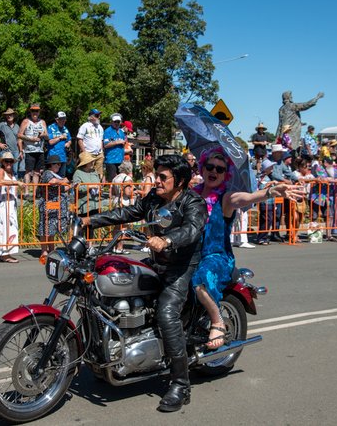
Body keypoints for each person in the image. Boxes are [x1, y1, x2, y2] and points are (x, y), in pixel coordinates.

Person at [81, 154, 208, 413]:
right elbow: (128, 211)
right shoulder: (154, 198)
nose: (157, 180)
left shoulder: (193, 202)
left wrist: (167, 240)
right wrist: (90, 220)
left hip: (181, 266)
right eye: (157, 175)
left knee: (166, 314)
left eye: (163, 177)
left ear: (179, 181)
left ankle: (180, 384)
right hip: (157, 262)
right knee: (109, 294)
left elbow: (192, 229)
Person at [191, 147, 302, 350]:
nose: (214, 171)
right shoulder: (191, 195)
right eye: (210, 166)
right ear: (202, 168)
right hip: (191, 253)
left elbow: (243, 199)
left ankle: (217, 322)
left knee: (200, 280)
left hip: (216, 257)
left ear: (225, 175)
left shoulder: (225, 198)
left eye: (220, 169)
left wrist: (269, 192)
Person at [37, 155, 71, 258]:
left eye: (59, 164)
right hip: (47, 204)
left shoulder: (55, 174)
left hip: (55, 205)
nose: (58, 166)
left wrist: (70, 185)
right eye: (56, 164)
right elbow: (52, 182)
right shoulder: (47, 173)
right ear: (50, 165)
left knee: (52, 229)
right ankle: (44, 251)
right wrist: (63, 181)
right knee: (45, 229)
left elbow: (60, 189)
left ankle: (51, 249)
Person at [0, 153, 23, 263]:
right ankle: (4, 253)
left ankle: (8, 252)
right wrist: (16, 182)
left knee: (11, 228)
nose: (8, 163)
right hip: (3, 203)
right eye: (6, 161)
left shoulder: (12, 173)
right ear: (3, 162)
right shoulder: (1, 170)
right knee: (3, 228)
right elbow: (0, 181)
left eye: (10, 161)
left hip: (11, 203)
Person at [18, 103, 48, 197]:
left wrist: (43, 134)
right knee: (28, 171)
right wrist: (31, 139)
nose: (35, 112)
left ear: (39, 112)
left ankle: (34, 192)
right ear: (30, 112)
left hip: (40, 150)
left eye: (37, 111)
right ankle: (26, 192)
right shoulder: (26, 121)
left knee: (37, 172)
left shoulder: (42, 122)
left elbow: (47, 136)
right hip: (29, 150)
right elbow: (19, 135)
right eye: (33, 111)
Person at [110, 160, 135, 254]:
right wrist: (134, 191)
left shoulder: (115, 177)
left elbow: (112, 192)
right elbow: (127, 192)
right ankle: (120, 247)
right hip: (124, 202)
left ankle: (114, 246)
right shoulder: (127, 178)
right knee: (123, 226)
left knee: (117, 226)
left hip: (116, 201)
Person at [0, 107, 23, 176]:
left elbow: (19, 139)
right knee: (3, 170)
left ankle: (14, 183)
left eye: (11, 114)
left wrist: (21, 150)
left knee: (15, 171)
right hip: (6, 151)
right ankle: (3, 182)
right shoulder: (2, 125)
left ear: (14, 115)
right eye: (7, 115)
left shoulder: (17, 126)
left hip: (16, 151)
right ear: (5, 116)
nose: (9, 116)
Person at [77, 109, 104, 180]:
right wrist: (84, 152)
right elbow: (79, 139)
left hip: (99, 154)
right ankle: (87, 186)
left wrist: (102, 152)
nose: (99, 117)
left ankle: (97, 186)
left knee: (99, 173)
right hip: (89, 153)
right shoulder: (85, 126)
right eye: (97, 115)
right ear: (91, 117)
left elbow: (101, 140)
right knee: (87, 172)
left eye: (99, 115)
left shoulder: (100, 127)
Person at [45, 111, 72, 177]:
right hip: (53, 157)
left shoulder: (65, 129)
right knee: (53, 176)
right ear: (57, 120)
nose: (63, 121)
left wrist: (68, 143)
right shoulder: (50, 128)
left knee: (62, 177)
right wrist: (60, 138)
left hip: (63, 157)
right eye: (61, 119)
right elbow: (50, 142)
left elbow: (69, 139)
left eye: (64, 119)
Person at [103, 113, 127, 182]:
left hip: (120, 160)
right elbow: (105, 145)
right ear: (111, 122)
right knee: (112, 181)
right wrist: (117, 142)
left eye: (118, 122)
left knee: (122, 180)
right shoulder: (108, 131)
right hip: (111, 160)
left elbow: (123, 144)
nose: (116, 123)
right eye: (115, 121)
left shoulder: (121, 132)